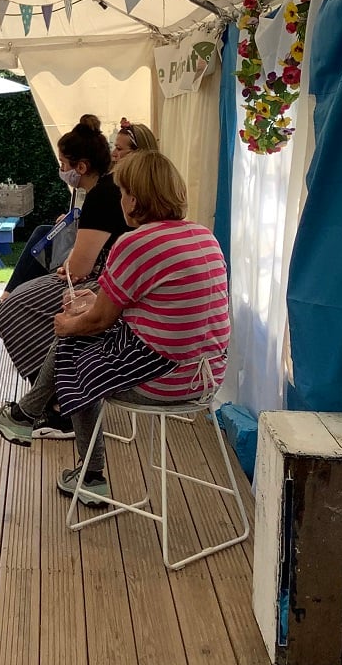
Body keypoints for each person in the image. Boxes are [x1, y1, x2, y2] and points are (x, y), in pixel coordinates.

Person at [50, 150, 229, 502]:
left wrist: (67, 325)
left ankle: (91, 475)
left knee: (72, 354)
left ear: (134, 198)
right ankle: (30, 411)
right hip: (207, 373)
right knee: (89, 342)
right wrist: (91, 307)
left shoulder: (135, 243)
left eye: (122, 192)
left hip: (165, 379)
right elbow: (149, 302)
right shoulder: (202, 235)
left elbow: (100, 319)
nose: (120, 200)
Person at [0, 115, 131, 442]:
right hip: (112, 281)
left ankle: (56, 407)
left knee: (17, 308)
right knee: (37, 270)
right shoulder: (101, 192)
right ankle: (48, 405)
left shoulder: (102, 195)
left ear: (81, 167)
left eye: (63, 164)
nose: (61, 170)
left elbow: (80, 269)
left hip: (104, 284)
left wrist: (66, 266)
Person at [0, 115, 156, 331]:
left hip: (110, 278)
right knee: (45, 233)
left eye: (121, 149)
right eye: (114, 147)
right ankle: (5, 302)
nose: (114, 154)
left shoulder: (105, 193)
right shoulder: (124, 190)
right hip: (121, 274)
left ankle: (7, 307)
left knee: (24, 299)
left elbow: (81, 267)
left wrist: (70, 263)